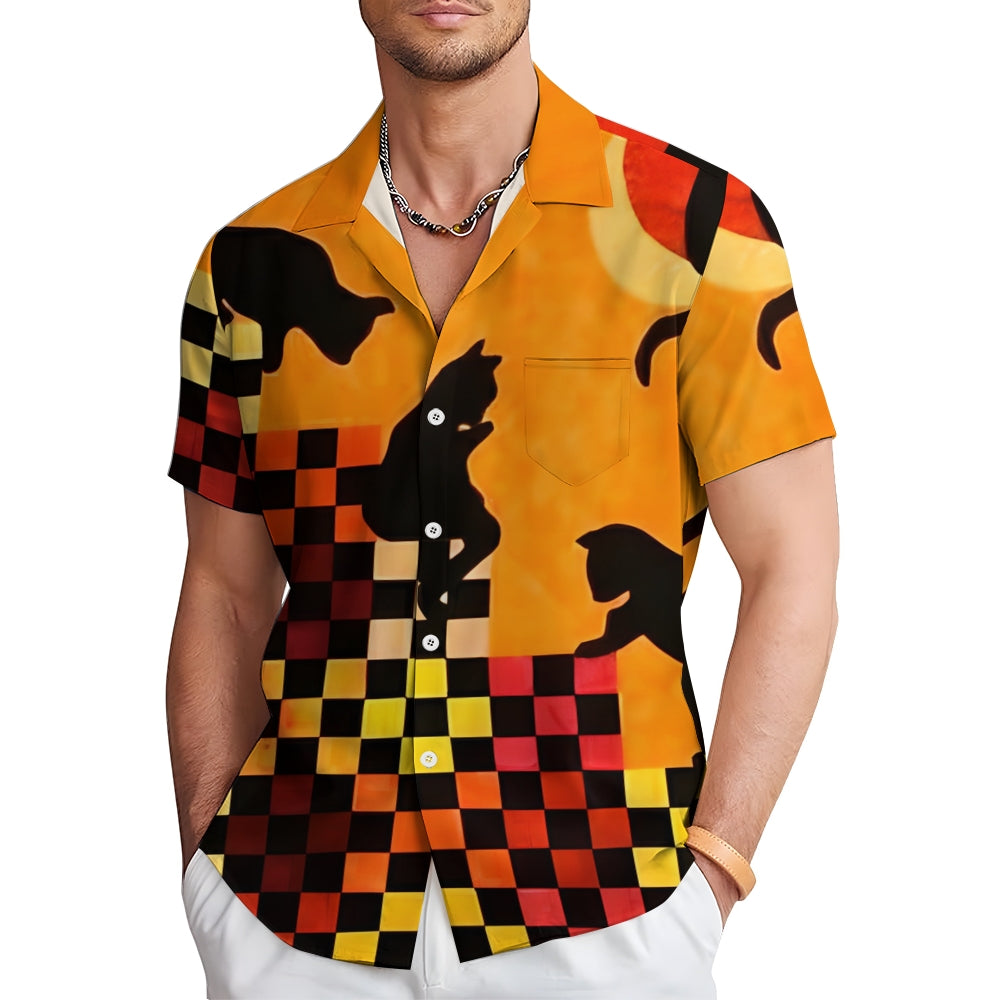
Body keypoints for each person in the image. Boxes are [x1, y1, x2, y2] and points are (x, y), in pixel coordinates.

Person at [165, 2, 840, 997]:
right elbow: (223, 590)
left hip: (607, 911)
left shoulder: (693, 229)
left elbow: (793, 567)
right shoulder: (252, 267)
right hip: (295, 912)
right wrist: (208, 867)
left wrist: (714, 873)